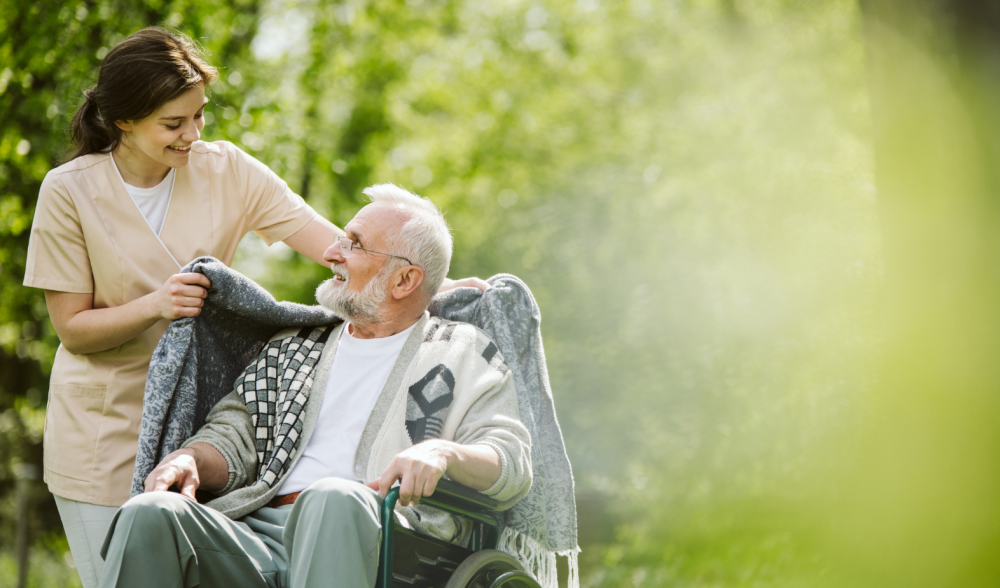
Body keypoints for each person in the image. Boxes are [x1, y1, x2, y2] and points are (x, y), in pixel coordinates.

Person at [22, 28, 485, 588]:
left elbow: (338, 247)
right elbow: (73, 330)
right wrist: (155, 305)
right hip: (104, 429)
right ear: (123, 120)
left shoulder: (227, 170)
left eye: (199, 116)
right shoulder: (68, 191)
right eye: (174, 123)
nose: (192, 134)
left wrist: (434, 281)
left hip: (201, 419)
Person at [97, 184, 531, 588]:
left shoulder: (461, 352)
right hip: (257, 535)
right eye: (341, 239)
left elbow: (510, 460)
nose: (331, 252)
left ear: (405, 280)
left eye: (353, 243)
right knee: (151, 513)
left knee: (331, 498)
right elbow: (233, 437)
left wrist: (442, 452)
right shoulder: (295, 347)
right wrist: (189, 458)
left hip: (388, 539)